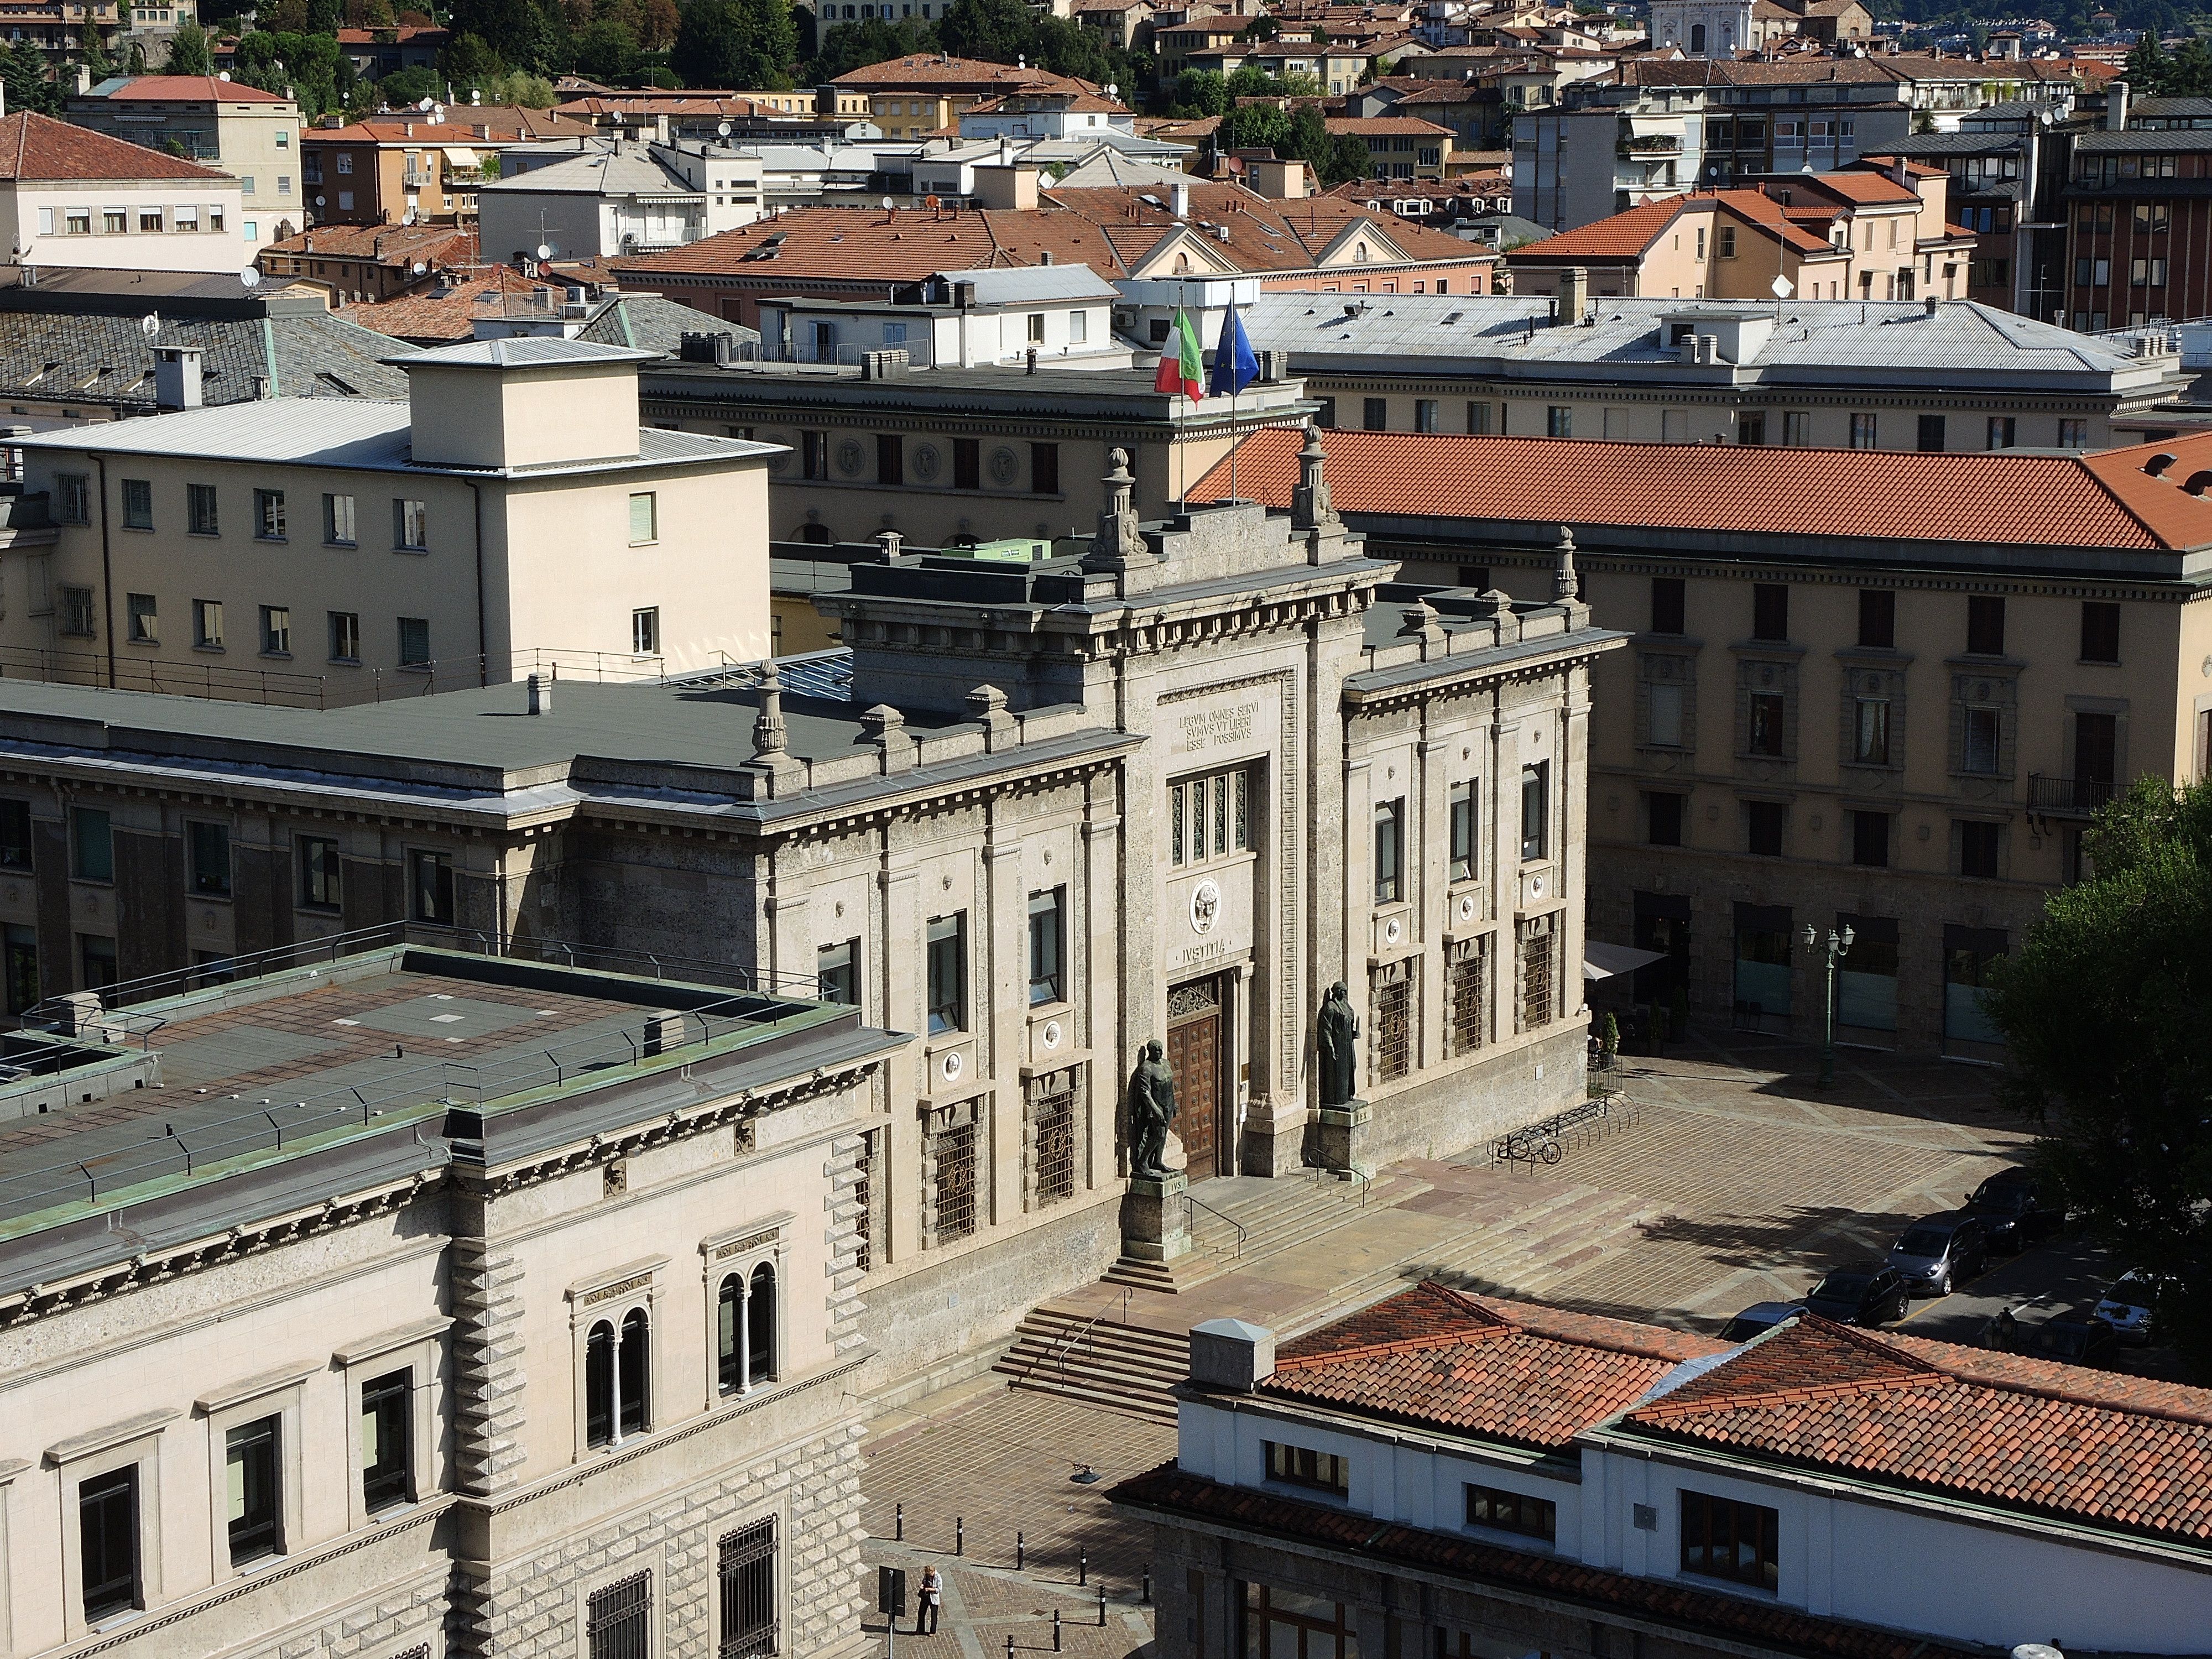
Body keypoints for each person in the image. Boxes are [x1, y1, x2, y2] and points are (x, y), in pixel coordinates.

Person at [917, 1565, 942, 1635]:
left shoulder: (938, 1577)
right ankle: (921, 1630)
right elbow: (924, 1582)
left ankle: (932, 1631)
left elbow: (939, 1589)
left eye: (929, 1573)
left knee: (934, 1615)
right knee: (921, 1613)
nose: (928, 1575)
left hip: (933, 1598)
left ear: (932, 1571)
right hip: (926, 1597)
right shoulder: (927, 1575)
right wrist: (922, 1586)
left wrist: (930, 1589)